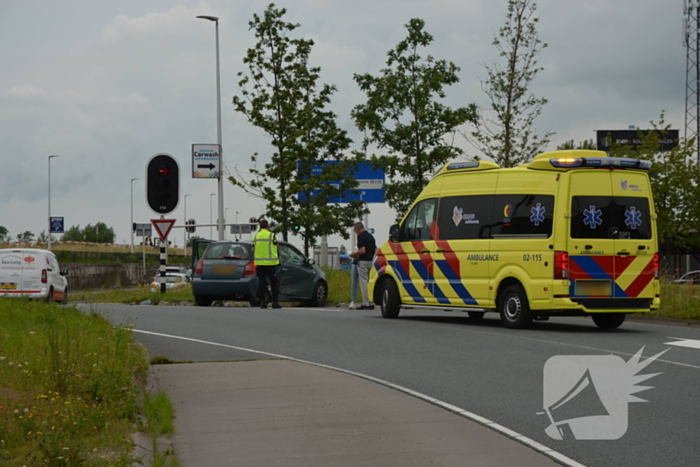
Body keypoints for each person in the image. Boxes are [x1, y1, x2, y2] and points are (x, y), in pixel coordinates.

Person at [252, 219, 281, 309]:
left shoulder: (256, 236)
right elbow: (277, 245)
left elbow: (252, 249)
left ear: (260, 227)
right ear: (267, 226)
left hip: (260, 264)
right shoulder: (271, 235)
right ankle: (275, 303)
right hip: (271, 264)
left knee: (261, 283)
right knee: (274, 283)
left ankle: (262, 302)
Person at [349, 222, 376, 310]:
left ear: (358, 229)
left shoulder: (361, 236)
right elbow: (375, 249)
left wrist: (354, 254)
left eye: (354, 229)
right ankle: (371, 302)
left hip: (363, 261)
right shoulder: (371, 237)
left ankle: (365, 303)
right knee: (369, 282)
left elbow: (362, 250)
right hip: (370, 261)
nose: (354, 231)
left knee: (363, 282)